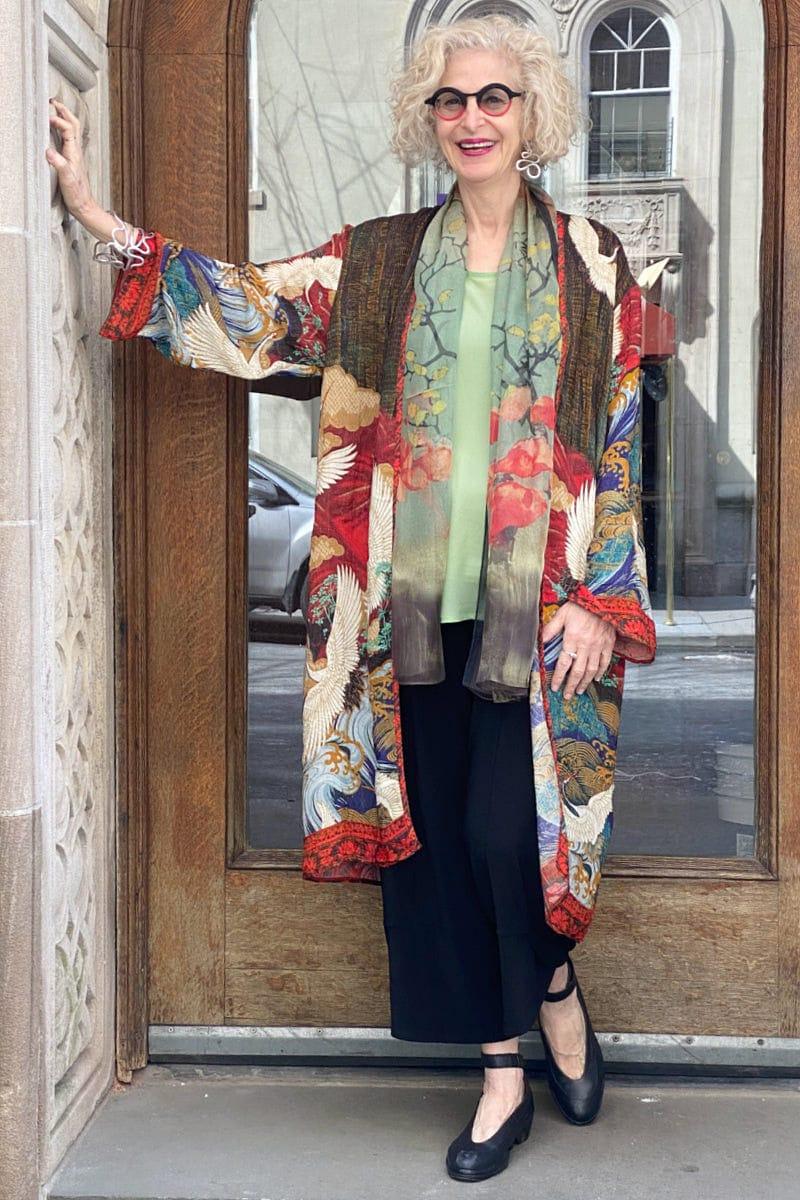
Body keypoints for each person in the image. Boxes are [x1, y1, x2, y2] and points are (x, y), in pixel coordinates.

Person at [47, 12, 656, 1184]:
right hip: (399, 611)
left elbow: (616, 442)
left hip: (546, 609)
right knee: (428, 846)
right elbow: (250, 307)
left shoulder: (592, 264)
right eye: (449, 100)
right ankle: (499, 1073)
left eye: (493, 97)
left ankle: (556, 986)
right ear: (427, 119)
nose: (470, 118)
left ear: (531, 114)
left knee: (504, 837)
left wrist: (604, 602)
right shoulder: (372, 261)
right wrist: (95, 221)